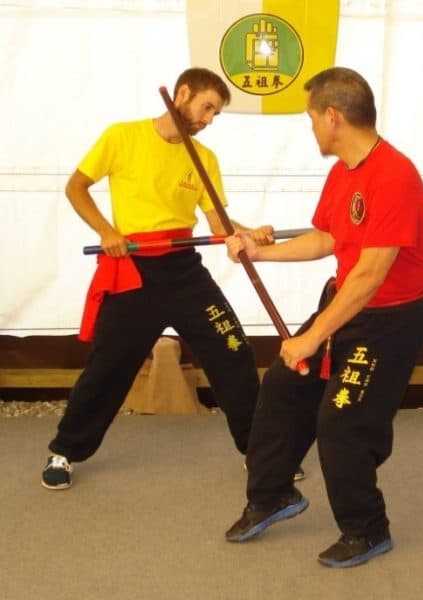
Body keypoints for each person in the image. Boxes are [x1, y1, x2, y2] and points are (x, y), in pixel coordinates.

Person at [41, 67, 305, 490]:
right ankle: (65, 450)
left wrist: (248, 232)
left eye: (215, 113)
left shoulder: (203, 159)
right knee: (108, 366)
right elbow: (77, 187)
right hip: (134, 271)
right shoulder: (122, 137)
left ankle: (259, 452)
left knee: (233, 350)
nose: (208, 119)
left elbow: (218, 223)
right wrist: (107, 232)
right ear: (182, 93)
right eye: (206, 107)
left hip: (184, 272)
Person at [224, 67, 423, 569]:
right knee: (282, 385)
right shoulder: (344, 171)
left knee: (342, 419)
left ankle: (367, 529)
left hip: (390, 318)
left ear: (333, 117)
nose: (312, 127)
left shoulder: (395, 176)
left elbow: (370, 275)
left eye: (312, 117)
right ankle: (274, 494)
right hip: (347, 302)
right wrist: (258, 252)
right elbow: (328, 238)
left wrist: (313, 336)